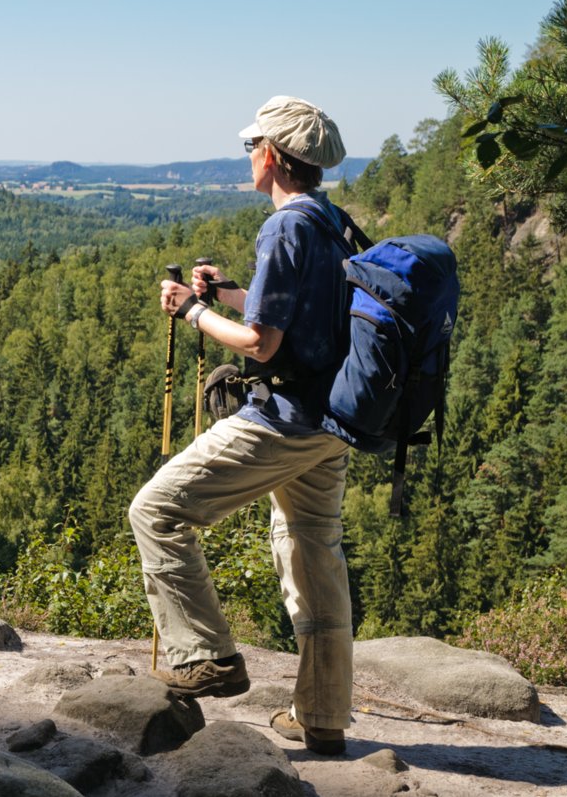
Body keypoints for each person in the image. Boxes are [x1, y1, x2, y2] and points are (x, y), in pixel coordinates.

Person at [128, 95, 354, 756]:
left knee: (157, 509)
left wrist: (190, 313)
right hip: (330, 423)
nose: (248, 155)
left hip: (283, 418)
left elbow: (260, 341)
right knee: (315, 559)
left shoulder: (285, 227)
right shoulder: (331, 220)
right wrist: (223, 290)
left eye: (253, 145)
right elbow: (294, 311)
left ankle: (204, 656)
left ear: (275, 156)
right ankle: (324, 717)